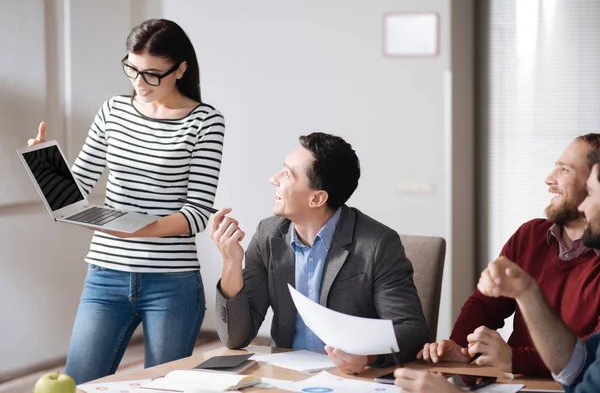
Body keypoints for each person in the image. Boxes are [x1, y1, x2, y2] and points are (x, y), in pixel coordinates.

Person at [27, 19, 225, 384]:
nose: (138, 82)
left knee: (164, 388)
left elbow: (197, 212)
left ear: (180, 69)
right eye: (132, 69)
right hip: (105, 276)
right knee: (79, 384)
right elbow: (78, 187)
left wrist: (142, 231)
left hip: (172, 282)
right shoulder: (112, 111)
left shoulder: (205, 121)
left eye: (151, 74)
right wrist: (45, 164)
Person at [209, 132, 429, 374]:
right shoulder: (268, 235)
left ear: (317, 198)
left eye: (287, 174)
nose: (274, 179)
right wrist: (231, 262)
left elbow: (412, 329)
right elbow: (235, 337)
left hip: (351, 378)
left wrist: (367, 356)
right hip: (285, 375)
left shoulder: (377, 243)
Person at [394, 147, 600, 392]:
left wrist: (514, 358)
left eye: (564, 169)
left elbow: (589, 360)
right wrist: (461, 348)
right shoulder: (530, 235)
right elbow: (485, 304)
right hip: (513, 382)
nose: (549, 178)